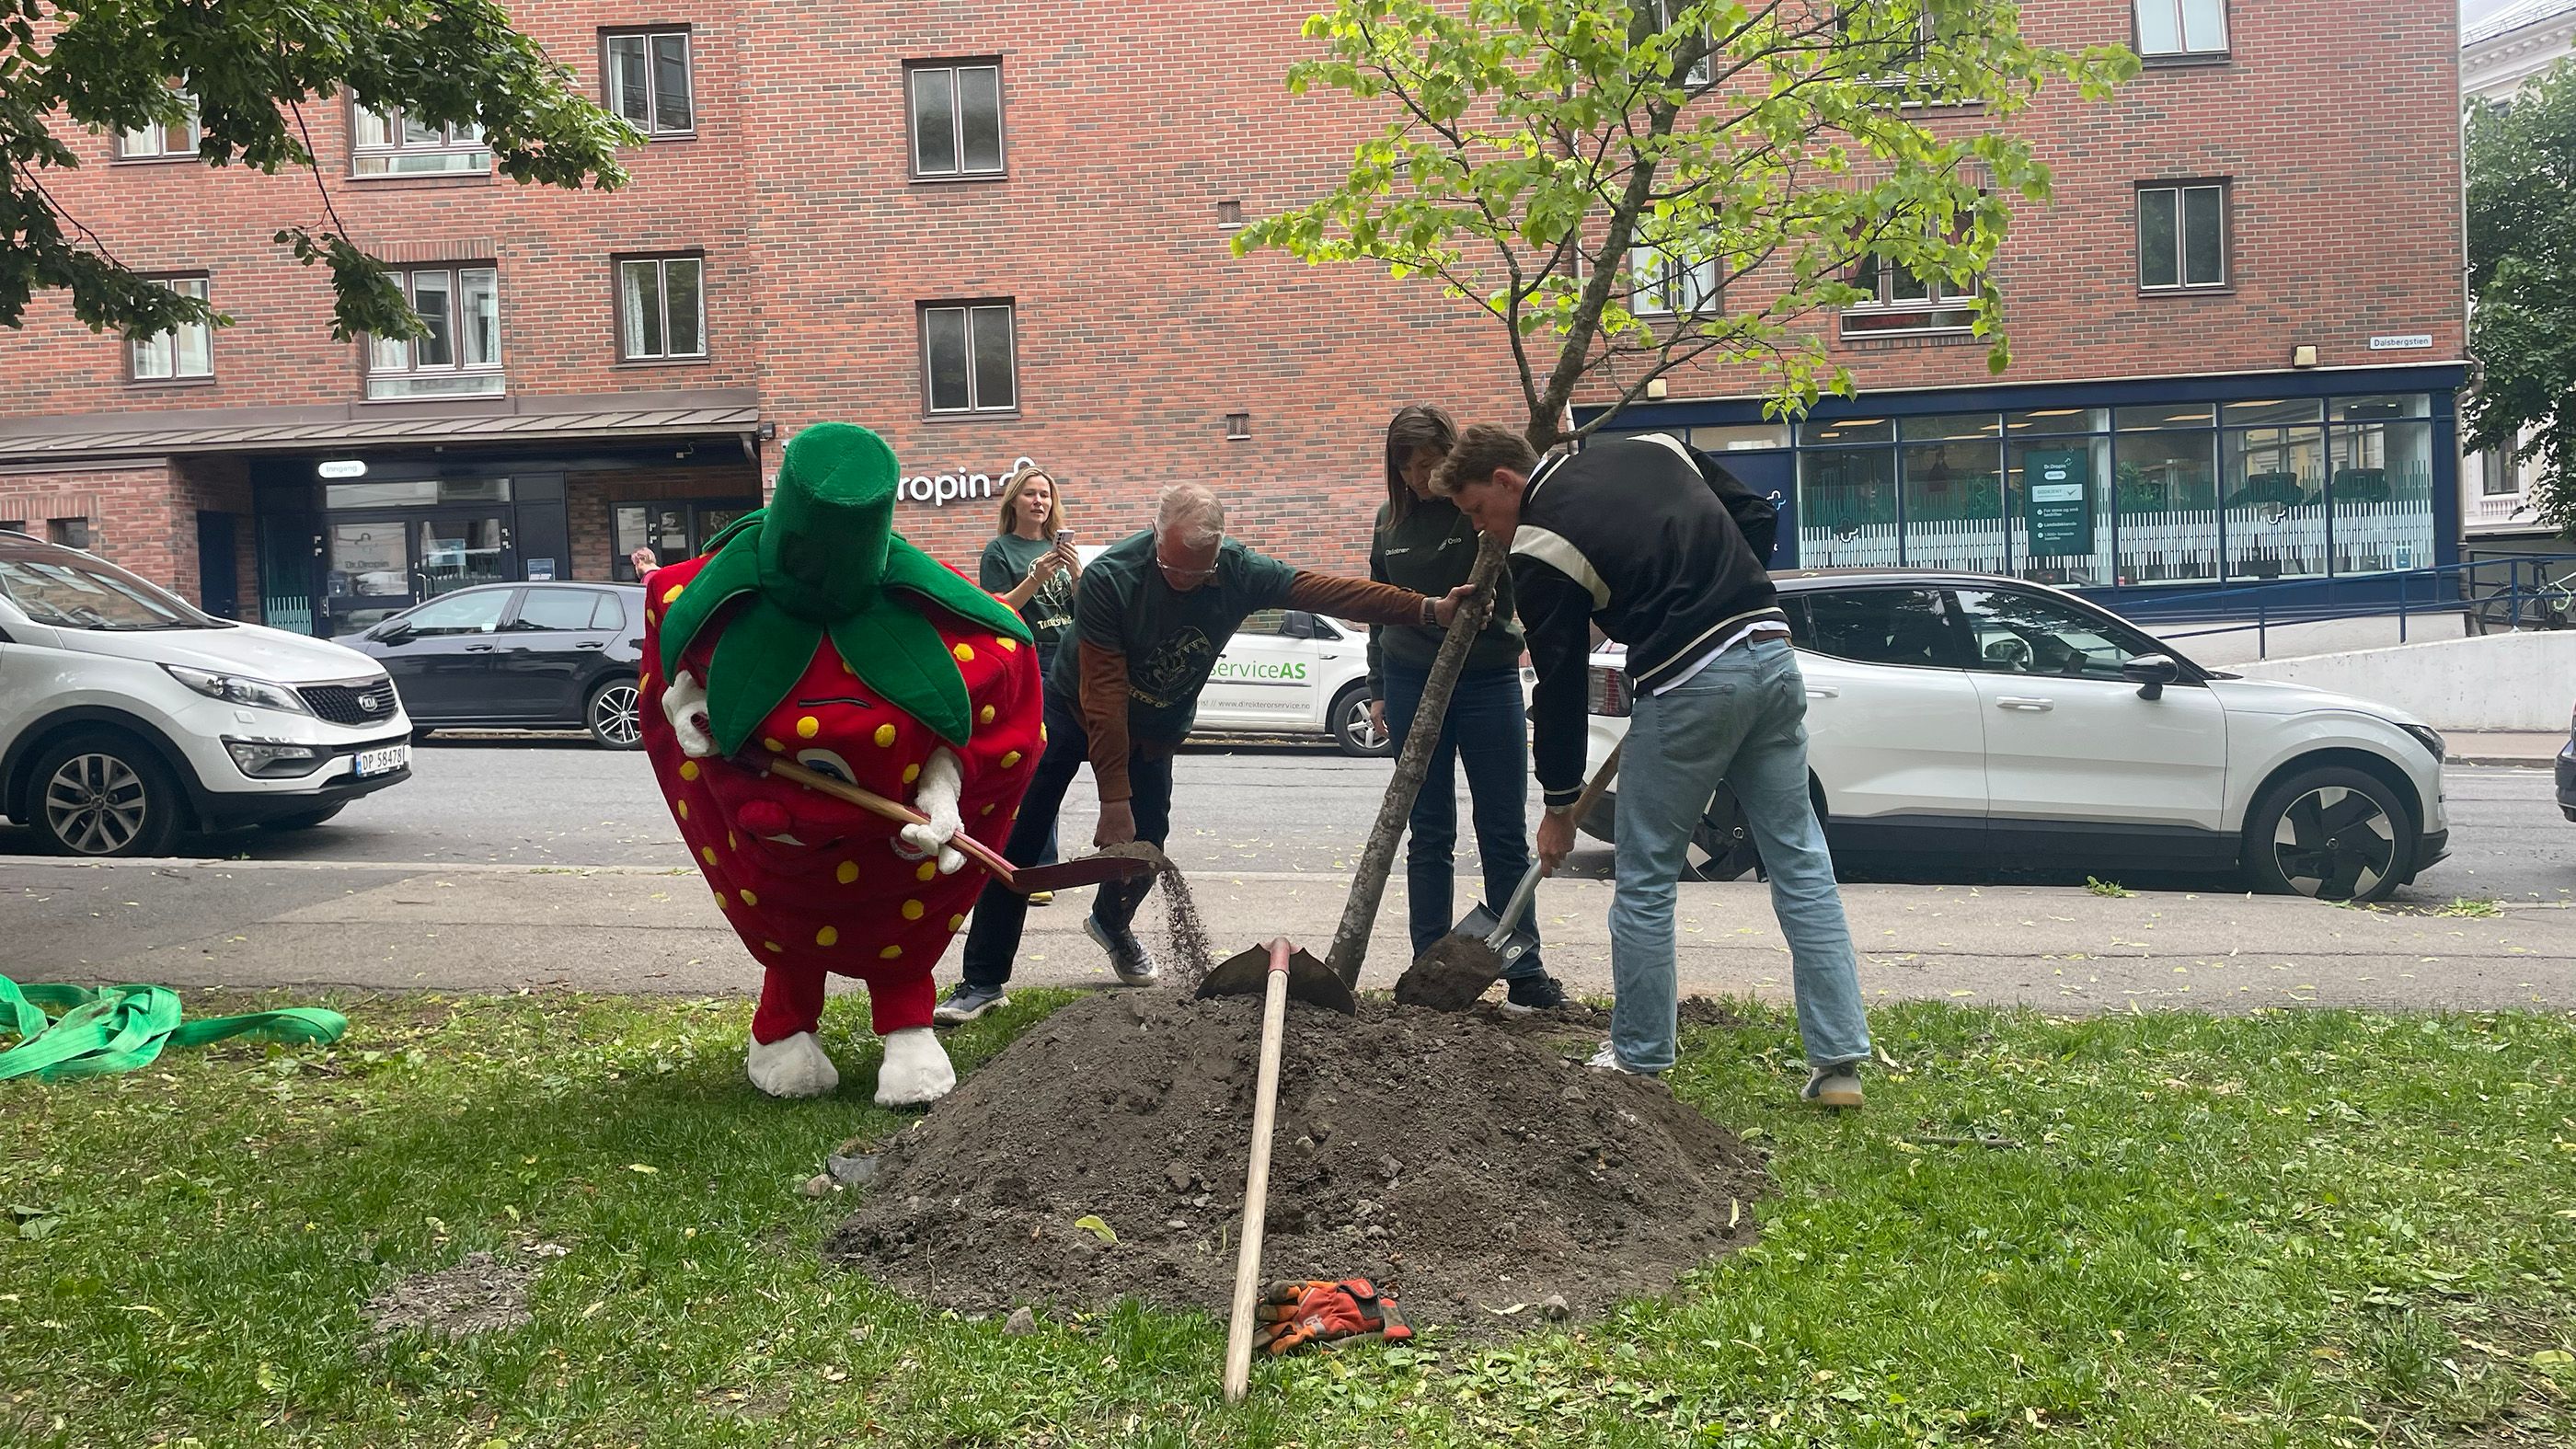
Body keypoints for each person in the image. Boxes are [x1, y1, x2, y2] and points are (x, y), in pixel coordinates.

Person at [1433, 425, 1871, 1108]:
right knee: (1800, 857)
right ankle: (1840, 1059)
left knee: (1644, 874)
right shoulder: (1655, 445)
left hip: (1692, 680)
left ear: (1506, 481)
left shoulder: (1541, 542)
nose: (1482, 530)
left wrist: (1557, 807)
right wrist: (1711, 602)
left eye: (1475, 511)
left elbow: (1557, 682)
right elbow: (1754, 514)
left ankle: (1638, 1055)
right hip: (1771, 649)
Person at [935, 482, 1476, 1023]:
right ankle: (982, 979)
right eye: (1173, 568)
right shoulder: (1111, 578)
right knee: (1020, 838)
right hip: (1073, 709)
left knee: (1149, 843)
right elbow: (1103, 696)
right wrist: (1112, 797)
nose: (1184, 581)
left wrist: (1427, 609)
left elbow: (1327, 591)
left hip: (1155, 725)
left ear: (1219, 552)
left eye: (1199, 572)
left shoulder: (1240, 570)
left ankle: (1111, 923)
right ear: (1155, 538)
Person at [1366, 405, 1564, 1011]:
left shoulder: (1477, 513)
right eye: (1405, 469)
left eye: (1427, 464)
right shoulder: (1389, 521)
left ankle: (1523, 963)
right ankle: (1431, 965)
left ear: (1449, 456)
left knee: (1502, 827)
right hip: (1409, 680)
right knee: (1428, 830)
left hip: (1486, 678)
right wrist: (1378, 687)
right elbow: (1379, 600)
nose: (1418, 478)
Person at [978, 464, 1081, 902]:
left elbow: (1086, 612)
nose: (1040, 501)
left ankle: (1038, 862)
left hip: (1069, 661)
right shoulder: (1000, 551)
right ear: (1014, 502)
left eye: (1046, 495)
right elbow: (998, 611)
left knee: (1055, 759)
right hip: (1028, 660)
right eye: (1031, 494)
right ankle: (1032, 864)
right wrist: (1035, 578)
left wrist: (1077, 575)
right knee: (1035, 762)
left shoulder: (1060, 553)